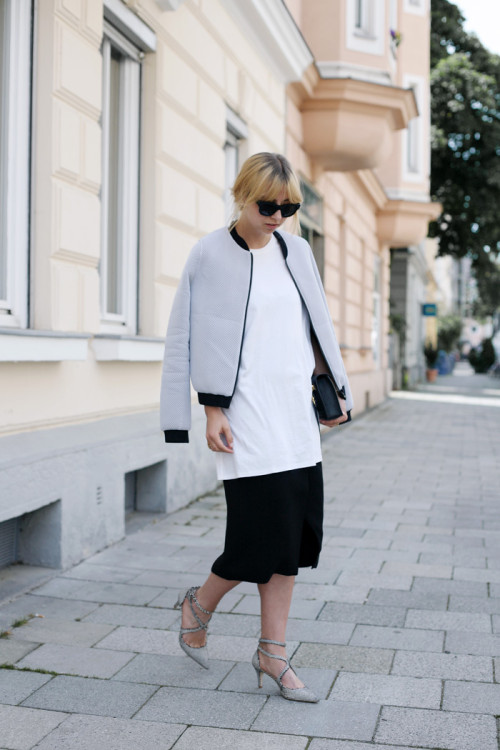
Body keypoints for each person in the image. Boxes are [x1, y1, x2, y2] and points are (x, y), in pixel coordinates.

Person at [160, 152, 353, 702]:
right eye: (268, 205)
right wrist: (210, 409)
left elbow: (315, 325)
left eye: (288, 208)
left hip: (294, 417)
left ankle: (273, 653)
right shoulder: (209, 253)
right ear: (241, 194)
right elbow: (187, 336)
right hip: (245, 418)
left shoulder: (296, 251)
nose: (277, 217)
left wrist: (331, 389)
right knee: (256, 539)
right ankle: (199, 604)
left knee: (292, 541)